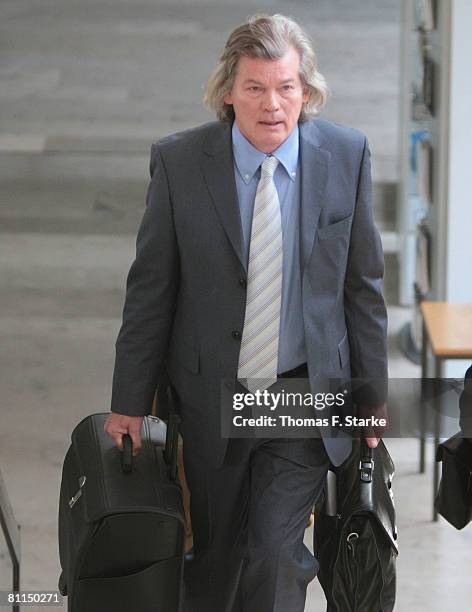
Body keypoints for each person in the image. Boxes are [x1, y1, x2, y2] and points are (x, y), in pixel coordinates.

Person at [104, 13, 388, 612]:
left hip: (301, 396)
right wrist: (129, 400)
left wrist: (373, 397)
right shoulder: (180, 164)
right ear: (227, 92)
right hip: (210, 398)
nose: (272, 104)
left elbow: (362, 288)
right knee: (212, 562)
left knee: (276, 555)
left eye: (286, 87)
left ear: (305, 92)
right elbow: (150, 291)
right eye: (255, 87)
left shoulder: (346, 155)